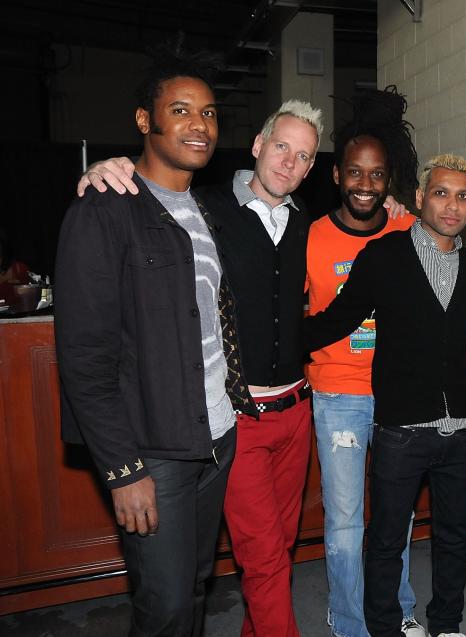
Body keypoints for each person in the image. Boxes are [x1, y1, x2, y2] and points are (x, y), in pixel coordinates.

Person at [77, 99, 323, 636]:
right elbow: (149, 193)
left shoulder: (310, 221)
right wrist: (106, 168)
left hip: (298, 410)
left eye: (303, 156)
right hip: (240, 417)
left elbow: (363, 229)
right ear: (257, 146)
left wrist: (400, 209)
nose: (288, 163)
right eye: (281, 146)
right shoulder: (205, 206)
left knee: (278, 547)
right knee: (263, 558)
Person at [56, 51, 251, 636]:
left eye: (210, 113)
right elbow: (85, 358)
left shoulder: (210, 210)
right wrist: (121, 468)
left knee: (194, 587)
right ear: (147, 121)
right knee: (164, 603)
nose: (201, 125)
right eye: (182, 110)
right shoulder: (104, 208)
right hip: (152, 449)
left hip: (217, 435)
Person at [302, 154, 466, 637]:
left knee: (453, 536)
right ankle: (384, 627)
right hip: (402, 429)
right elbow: (337, 319)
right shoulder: (384, 256)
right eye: (441, 193)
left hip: (463, 430)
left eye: (463, 196)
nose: (452, 205)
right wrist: (274, 345)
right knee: (386, 539)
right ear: (421, 198)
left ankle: (446, 624)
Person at [306, 87, 426, 637]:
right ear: (337, 175)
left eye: (377, 175)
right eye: (355, 172)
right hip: (339, 398)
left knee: (395, 519)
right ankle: (351, 622)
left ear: (389, 181)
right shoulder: (310, 238)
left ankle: (397, 612)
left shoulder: (406, 230)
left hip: (398, 394)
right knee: (347, 522)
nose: (365, 184)